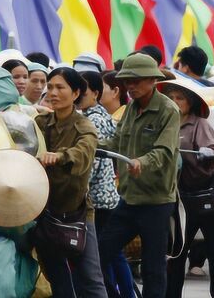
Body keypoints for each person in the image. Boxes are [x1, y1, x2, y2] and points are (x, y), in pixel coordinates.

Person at [98, 53, 180, 298]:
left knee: (153, 268)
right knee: (100, 254)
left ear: (153, 80)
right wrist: (92, 146)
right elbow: (116, 141)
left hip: (156, 203)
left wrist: (141, 162)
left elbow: (165, 152)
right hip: (129, 199)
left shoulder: (169, 110)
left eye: (136, 81)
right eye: (127, 82)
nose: (130, 87)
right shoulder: (131, 108)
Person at [34, 67, 108, 298]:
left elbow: (84, 153)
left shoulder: (85, 127)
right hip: (46, 212)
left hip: (77, 214)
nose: (53, 92)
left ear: (76, 93)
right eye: (50, 87)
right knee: (56, 277)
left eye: (60, 87)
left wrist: (61, 156)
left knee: (91, 279)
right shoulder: (41, 122)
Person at [160, 79, 214, 298]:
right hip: (178, 199)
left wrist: (206, 152)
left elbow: (213, 150)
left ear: (190, 103)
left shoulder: (199, 124)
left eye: (179, 98)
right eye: (170, 98)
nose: (174, 102)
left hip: (205, 196)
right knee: (177, 254)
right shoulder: (164, 124)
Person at [79, 71, 135, 298]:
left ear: (95, 93)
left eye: (83, 90)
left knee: (107, 254)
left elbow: (93, 161)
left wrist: (79, 185)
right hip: (104, 197)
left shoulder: (94, 120)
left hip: (100, 199)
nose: (79, 95)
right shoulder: (97, 114)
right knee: (109, 254)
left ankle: (123, 294)